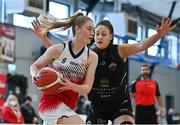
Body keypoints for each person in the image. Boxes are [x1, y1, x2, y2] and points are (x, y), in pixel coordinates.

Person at [31, 16, 175, 124]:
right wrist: (43, 37)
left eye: (103, 34)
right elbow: (61, 54)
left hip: (119, 105)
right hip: (97, 106)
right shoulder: (88, 53)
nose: (99, 36)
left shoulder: (121, 50)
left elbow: (141, 45)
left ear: (111, 36)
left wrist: (158, 35)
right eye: (97, 33)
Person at [30, 11, 98, 124]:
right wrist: (35, 76)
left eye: (93, 30)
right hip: (50, 104)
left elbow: (87, 88)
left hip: (69, 106)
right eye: (89, 29)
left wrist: (70, 85)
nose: (93, 33)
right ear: (77, 29)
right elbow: (35, 66)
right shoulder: (59, 49)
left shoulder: (92, 57)